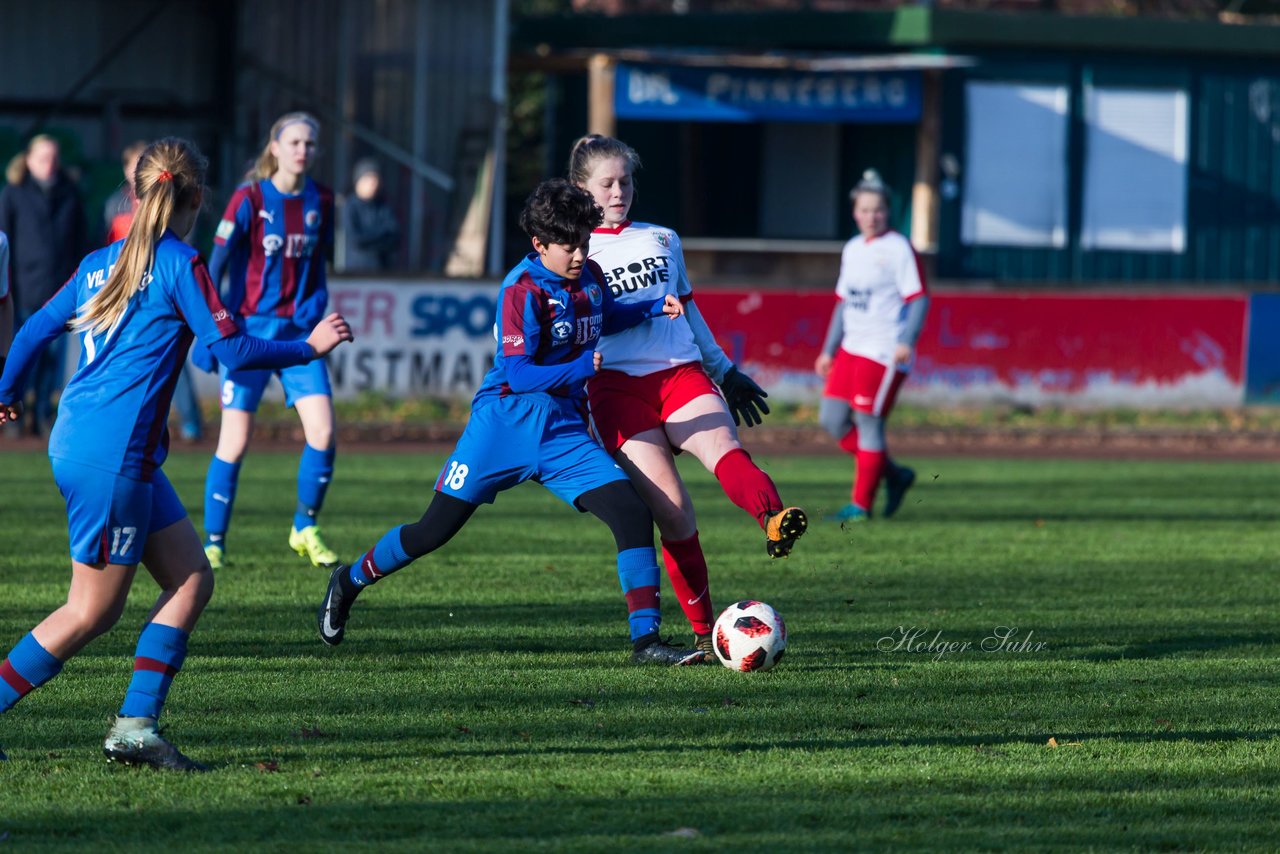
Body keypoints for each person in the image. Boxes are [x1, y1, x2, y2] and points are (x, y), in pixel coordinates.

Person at [0, 137, 353, 770]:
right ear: (196, 200)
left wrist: (5, 393)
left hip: (90, 444)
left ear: (134, 195)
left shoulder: (98, 261)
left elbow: (31, 330)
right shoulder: (179, 263)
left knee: (191, 578)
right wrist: (309, 346)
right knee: (89, 611)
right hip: (113, 459)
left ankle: (137, 726)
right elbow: (234, 352)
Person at [316, 178, 706, 666]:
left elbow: (603, 316)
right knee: (431, 531)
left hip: (562, 427)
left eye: (585, 242)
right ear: (538, 244)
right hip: (503, 423)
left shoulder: (590, 274)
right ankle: (349, 581)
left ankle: (645, 643)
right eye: (569, 246)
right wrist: (584, 368)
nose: (581, 254)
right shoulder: (520, 291)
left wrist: (651, 307)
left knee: (631, 512)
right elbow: (520, 375)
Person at [567, 134, 807, 657]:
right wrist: (577, 362)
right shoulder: (572, 251)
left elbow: (690, 312)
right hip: (616, 390)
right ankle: (704, 634)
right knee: (674, 512)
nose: (618, 192)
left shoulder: (663, 238)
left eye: (625, 181)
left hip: (681, 373)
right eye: (606, 183)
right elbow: (554, 321)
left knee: (726, 452)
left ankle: (773, 518)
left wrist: (726, 370)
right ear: (581, 188)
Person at [194, 112, 340, 571]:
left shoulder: (325, 199)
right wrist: (210, 330)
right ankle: (214, 542)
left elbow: (320, 263)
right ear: (274, 147)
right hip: (250, 334)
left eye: (310, 144)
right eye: (294, 142)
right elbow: (213, 266)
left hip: (301, 334)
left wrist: (317, 308)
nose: (303, 150)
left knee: (324, 433)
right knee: (234, 442)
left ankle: (304, 527)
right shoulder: (249, 198)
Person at [815, 170, 929, 522]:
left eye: (877, 210)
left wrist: (906, 341)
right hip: (851, 348)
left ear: (887, 212)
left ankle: (861, 506)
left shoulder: (898, 248)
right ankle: (894, 474)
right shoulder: (852, 249)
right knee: (832, 420)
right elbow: (842, 302)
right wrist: (828, 349)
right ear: (855, 212)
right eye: (864, 210)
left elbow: (919, 297)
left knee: (868, 423)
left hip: (883, 350)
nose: (871, 216)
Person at [105, 140, 203, 442]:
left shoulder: (180, 260)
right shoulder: (115, 205)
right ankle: (131, 424)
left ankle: (189, 420)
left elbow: (37, 329)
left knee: (169, 356)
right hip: (123, 289)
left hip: (159, 286)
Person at [0, 134, 86, 436]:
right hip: (24, 288)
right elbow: (4, 243)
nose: (49, 164)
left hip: (61, 290)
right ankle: (14, 414)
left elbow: (80, 243)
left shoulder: (70, 193)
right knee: (24, 356)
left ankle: (43, 414)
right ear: (28, 160)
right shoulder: (13, 193)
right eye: (42, 158)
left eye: (53, 158)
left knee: (54, 360)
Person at [340, 158, 399, 272]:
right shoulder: (349, 206)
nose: (373, 184)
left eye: (376, 179)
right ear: (358, 182)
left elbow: (395, 237)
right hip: (356, 274)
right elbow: (356, 239)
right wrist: (382, 235)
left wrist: (369, 238)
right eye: (368, 179)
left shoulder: (383, 206)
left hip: (382, 272)